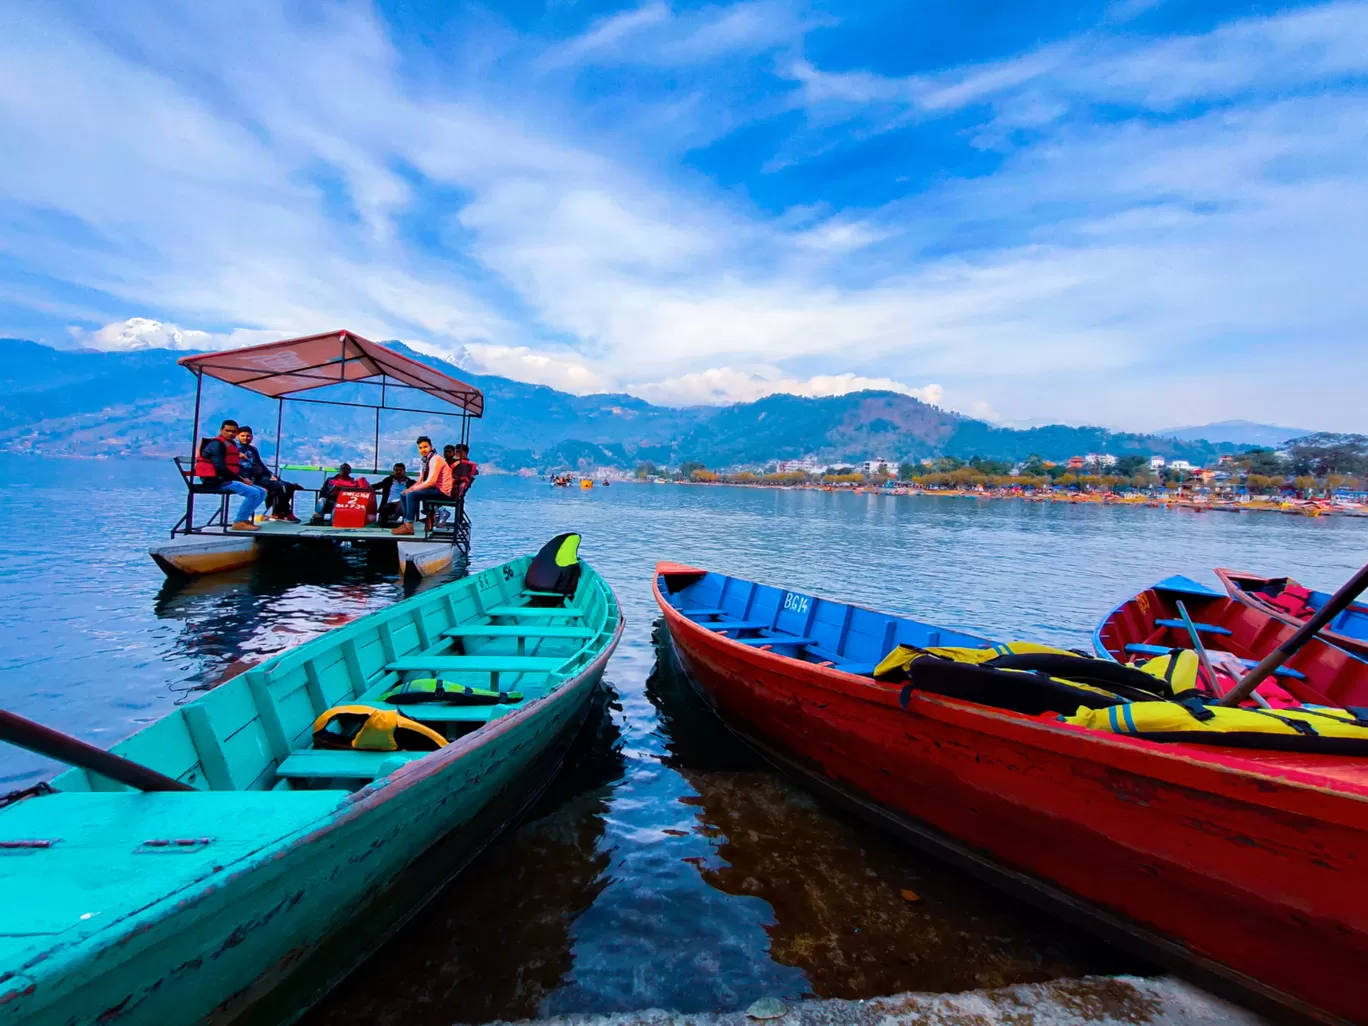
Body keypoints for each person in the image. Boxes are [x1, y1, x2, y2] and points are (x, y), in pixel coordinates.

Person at [195, 419, 267, 531]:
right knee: (253, 493)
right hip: (215, 480)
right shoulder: (217, 445)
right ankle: (239, 521)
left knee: (262, 492)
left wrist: (242, 478)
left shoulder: (231, 444)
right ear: (221, 430)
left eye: (234, 431)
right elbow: (220, 468)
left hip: (225, 479)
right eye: (227, 431)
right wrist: (241, 479)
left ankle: (244, 520)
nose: (230, 434)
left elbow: (232, 467)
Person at [234, 426, 301, 522]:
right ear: (238, 436)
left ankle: (278, 512)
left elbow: (261, 464)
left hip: (262, 475)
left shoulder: (253, 449)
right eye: (243, 436)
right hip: (250, 478)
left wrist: (271, 475)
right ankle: (285, 512)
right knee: (279, 486)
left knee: (289, 486)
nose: (245, 438)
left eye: (248, 436)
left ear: (252, 437)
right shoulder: (234, 449)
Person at [391, 436, 452, 536]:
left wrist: (412, 490)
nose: (423, 450)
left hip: (442, 491)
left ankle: (410, 526)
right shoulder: (425, 460)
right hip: (433, 489)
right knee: (404, 494)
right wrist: (409, 489)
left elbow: (431, 481)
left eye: (425, 447)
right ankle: (406, 523)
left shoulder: (436, 459)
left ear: (431, 447)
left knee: (412, 495)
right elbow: (420, 480)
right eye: (420, 448)